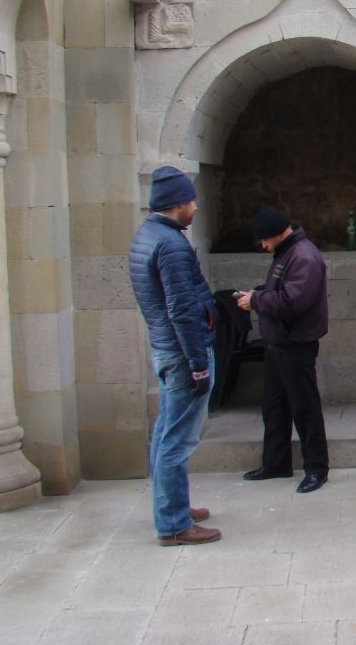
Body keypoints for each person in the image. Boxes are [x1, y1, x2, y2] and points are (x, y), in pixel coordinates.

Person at [128, 166, 220, 545]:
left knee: (167, 432)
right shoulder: (171, 245)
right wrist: (198, 364)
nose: (196, 206)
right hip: (183, 354)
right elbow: (181, 309)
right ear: (178, 204)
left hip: (165, 348)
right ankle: (174, 524)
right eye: (192, 200)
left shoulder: (147, 236)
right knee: (177, 439)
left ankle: (174, 506)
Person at [237, 207, 331, 494]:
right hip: (279, 344)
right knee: (274, 408)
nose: (262, 246)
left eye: (263, 240)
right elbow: (280, 289)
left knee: (305, 409)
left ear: (277, 234)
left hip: (296, 345)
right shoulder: (287, 253)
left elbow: (293, 301)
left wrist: (256, 301)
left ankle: (316, 468)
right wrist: (258, 293)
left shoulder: (303, 255)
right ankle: (276, 463)